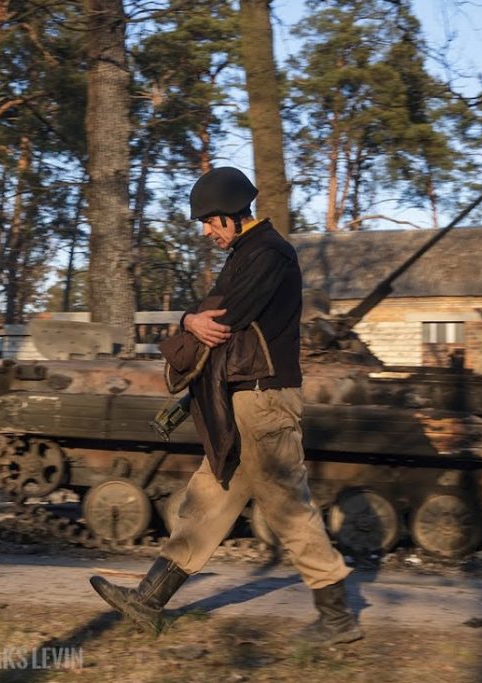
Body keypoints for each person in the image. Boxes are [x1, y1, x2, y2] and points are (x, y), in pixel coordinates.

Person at [89, 167, 363, 647]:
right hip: (243, 398)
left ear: (233, 214)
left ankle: (336, 616)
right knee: (208, 498)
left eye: (210, 221)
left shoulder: (269, 252)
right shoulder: (246, 253)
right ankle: (149, 600)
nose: (206, 232)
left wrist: (190, 320)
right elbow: (209, 317)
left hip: (264, 399)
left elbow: (220, 318)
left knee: (286, 504)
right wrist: (190, 324)